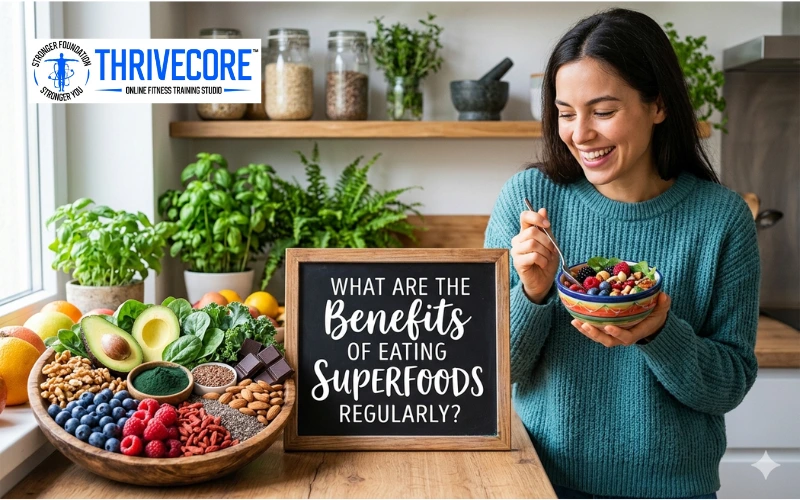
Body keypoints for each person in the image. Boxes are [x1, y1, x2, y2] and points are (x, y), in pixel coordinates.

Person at [484, 8, 759, 499]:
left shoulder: (722, 218)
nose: (580, 134)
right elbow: (492, 373)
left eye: (603, 112)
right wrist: (533, 291)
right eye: (566, 113)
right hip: (539, 484)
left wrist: (658, 332)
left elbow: (729, 385)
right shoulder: (527, 201)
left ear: (657, 105)